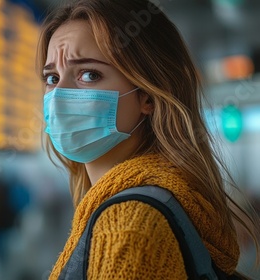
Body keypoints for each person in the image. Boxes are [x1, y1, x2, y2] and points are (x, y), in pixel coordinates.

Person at [37, 0, 260, 279]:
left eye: (89, 74)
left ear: (147, 96)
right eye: (52, 77)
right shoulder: (165, 201)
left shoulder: (127, 227)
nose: (59, 94)